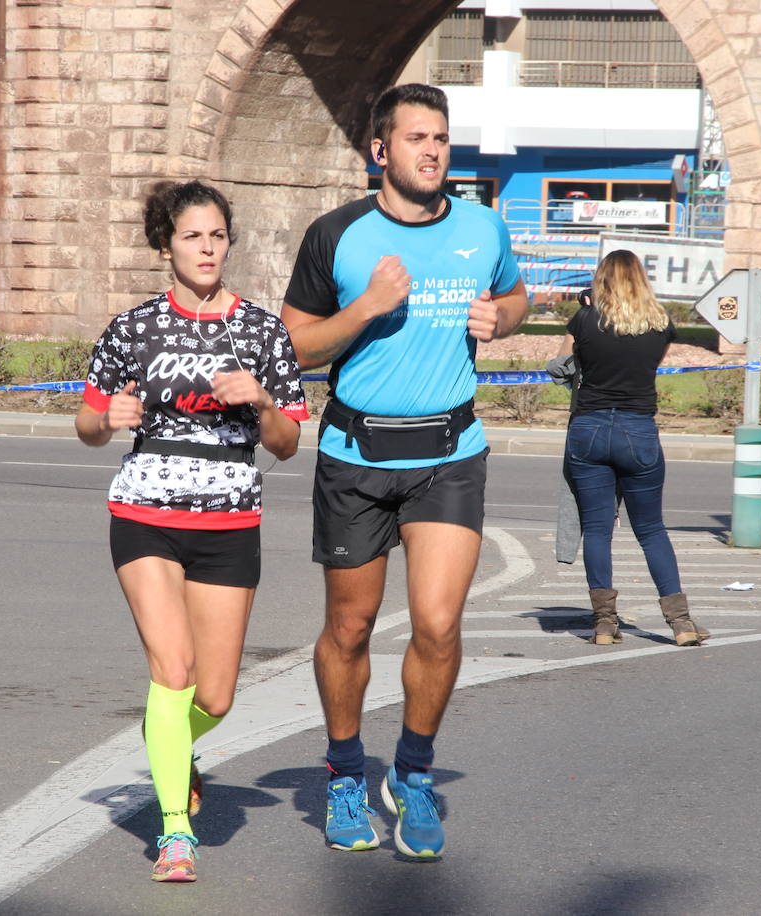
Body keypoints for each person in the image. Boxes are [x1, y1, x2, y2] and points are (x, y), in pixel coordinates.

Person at [281, 83, 528, 859]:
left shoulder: (483, 227)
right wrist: (365, 310)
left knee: (439, 622)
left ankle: (414, 774)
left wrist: (504, 318)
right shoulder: (337, 236)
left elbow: (516, 296)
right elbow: (293, 347)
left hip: (448, 455)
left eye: (442, 138)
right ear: (380, 151)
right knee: (349, 629)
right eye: (416, 138)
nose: (432, 150)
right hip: (355, 455)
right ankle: (347, 773)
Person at [75, 180, 306, 883]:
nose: (206, 249)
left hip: (230, 517)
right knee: (171, 672)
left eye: (216, 236)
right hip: (145, 513)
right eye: (191, 237)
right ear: (165, 246)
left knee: (213, 697)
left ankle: (168, 738)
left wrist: (263, 402)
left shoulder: (263, 331)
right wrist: (105, 418)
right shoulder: (133, 328)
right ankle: (176, 832)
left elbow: (289, 442)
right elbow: (87, 427)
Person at [554, 250, 708, 647]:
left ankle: (605, 623)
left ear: (601, 279)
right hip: (637, 429)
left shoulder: (586, 319)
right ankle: (681, 622)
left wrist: (585, 313)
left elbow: (559, 363)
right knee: (652, 529)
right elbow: (648, 364)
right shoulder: (660, 324)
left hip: (588, 429)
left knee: (598, 530)